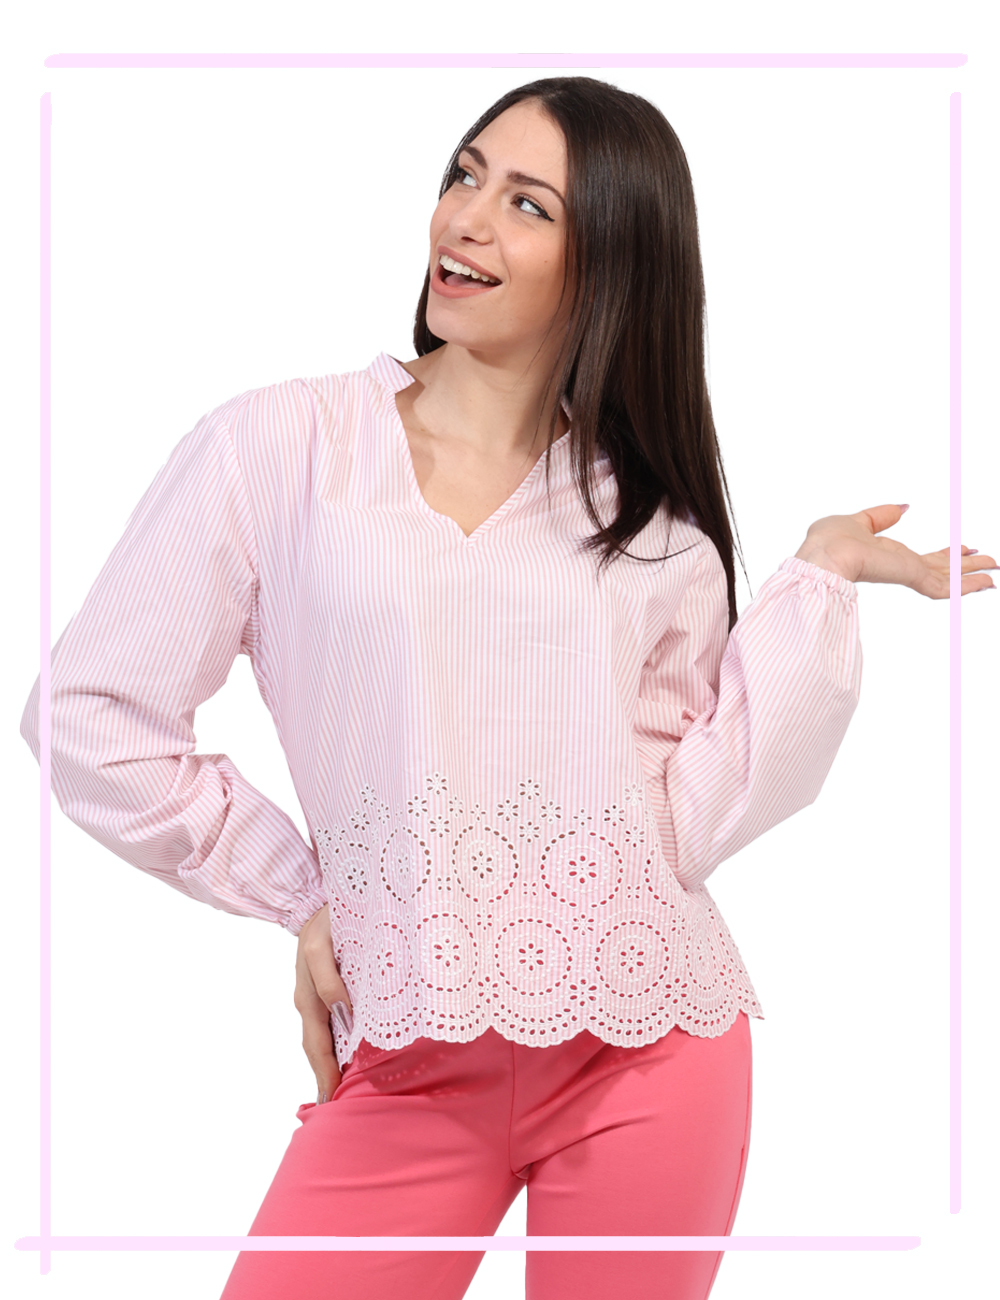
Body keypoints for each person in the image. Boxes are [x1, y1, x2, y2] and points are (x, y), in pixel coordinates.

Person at [20, 76, 995, 1300]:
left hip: (652, 1048)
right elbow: (90, 714)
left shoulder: (651, 522)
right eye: (465, 175)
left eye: (528, 203)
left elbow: (690, 818)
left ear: (608, 267)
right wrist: (312, 896)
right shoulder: (279, 447)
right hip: (405, 1066)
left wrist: (820, 579)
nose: (467, 218)